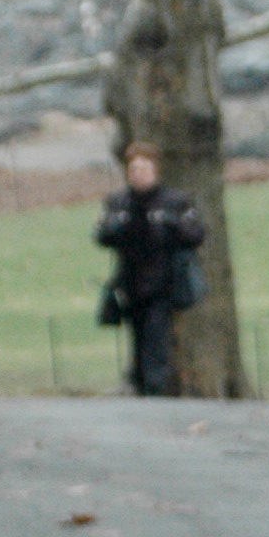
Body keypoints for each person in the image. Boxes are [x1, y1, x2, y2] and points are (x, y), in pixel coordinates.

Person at [95, 144, 206, 398]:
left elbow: (196, 235)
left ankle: (155, 389)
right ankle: (139, 384)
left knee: (157, 338)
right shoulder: (119, 202)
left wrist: (171, 223)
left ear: (156, 171)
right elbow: (102, 236)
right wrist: (118, 226)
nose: (138, 174)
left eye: (144, 168)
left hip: (164, 283)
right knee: (137, 336)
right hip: (130, 283)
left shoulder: (174, 201)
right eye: (134, 169)